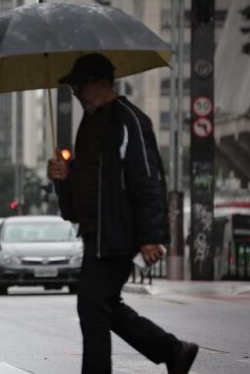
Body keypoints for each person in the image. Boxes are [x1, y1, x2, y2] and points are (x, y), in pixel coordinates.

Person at [47, 53, 199, 374]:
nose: (76, 93)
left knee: (92, 306)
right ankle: (173, 351)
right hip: (96, 232)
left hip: (119, 232)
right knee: (102, 305)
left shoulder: (130, 119)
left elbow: (148, 178)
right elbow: (89, 180)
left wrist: (151, 236)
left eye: (80, 86)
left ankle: (168, 352)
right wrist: (64, 177)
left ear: (103, 84)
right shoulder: (89, 123)